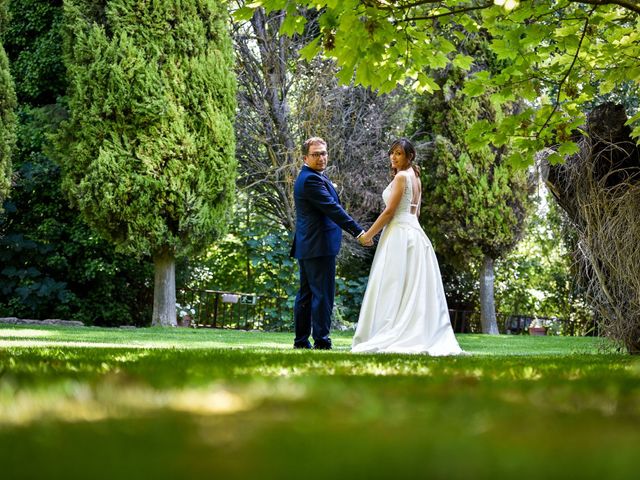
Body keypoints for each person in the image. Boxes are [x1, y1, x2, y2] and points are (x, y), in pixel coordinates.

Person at [352, 138, 463, 355]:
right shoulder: (416, 177)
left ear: (409, 156)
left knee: (393, 284)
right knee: (409, 286)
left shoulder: (402, 177)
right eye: (392, 153)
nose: (393, 157)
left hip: (399, 234)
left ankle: (391, 330)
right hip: (415, 232)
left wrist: (368, 235)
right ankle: (409, 328)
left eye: (399, 153)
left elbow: (389, 212)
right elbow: (416, 212)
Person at [291, 137, 371, 350]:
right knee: (322, 295)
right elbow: (333, 209)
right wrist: (358, 232)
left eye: (324, 153)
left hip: (310, 245)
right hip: (318, 246)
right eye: (316, 154)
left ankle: (301, 341)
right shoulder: (310, 180)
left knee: (307, 295)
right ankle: (322, 341)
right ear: (305, 157)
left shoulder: (313, 177)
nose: (321, 158)